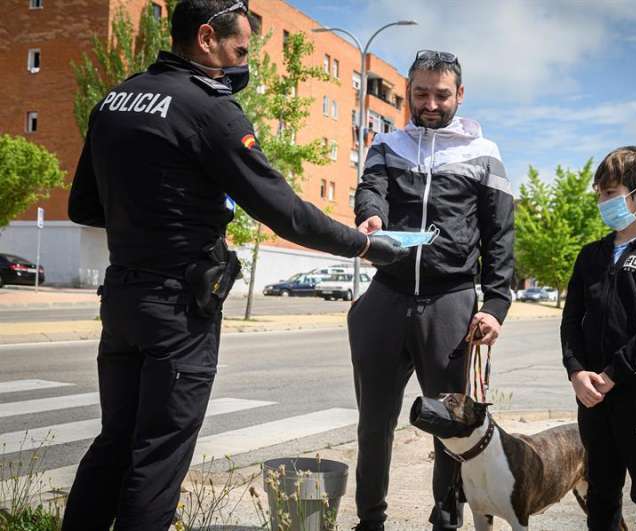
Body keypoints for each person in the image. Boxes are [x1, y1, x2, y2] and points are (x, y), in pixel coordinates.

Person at [61, 1, 407, 529]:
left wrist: (154, 207)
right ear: (206, 38)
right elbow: (287, 213)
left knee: (115, 441)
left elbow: (83, 206)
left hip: (124, 298)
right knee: (157, 456)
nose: (244, 62)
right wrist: (364, 247)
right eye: (240, 50)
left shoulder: (115, 98)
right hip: (178, 307)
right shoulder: (209, 109)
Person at [348, 50, 515, 530]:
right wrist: (371, 213)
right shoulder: (387, 144)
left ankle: (446, 520)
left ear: (459, 94)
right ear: (408, 92)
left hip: (451, 300)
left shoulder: (483, 153)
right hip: (387, 293)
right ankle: (370, 520)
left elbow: (499, 234)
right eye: (420, 93)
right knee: (373, 423)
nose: (430, 103)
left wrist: (496, 305)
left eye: (442, 94)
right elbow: (371, 187)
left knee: (451, 426)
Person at [561, 146, 636, 530]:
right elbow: (570, 321)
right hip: (592, 396)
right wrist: (577, 372)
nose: (601, 201)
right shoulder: (590, 255)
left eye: (610, 192)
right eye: (599, 193)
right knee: (600, 492)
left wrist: (613, 374)